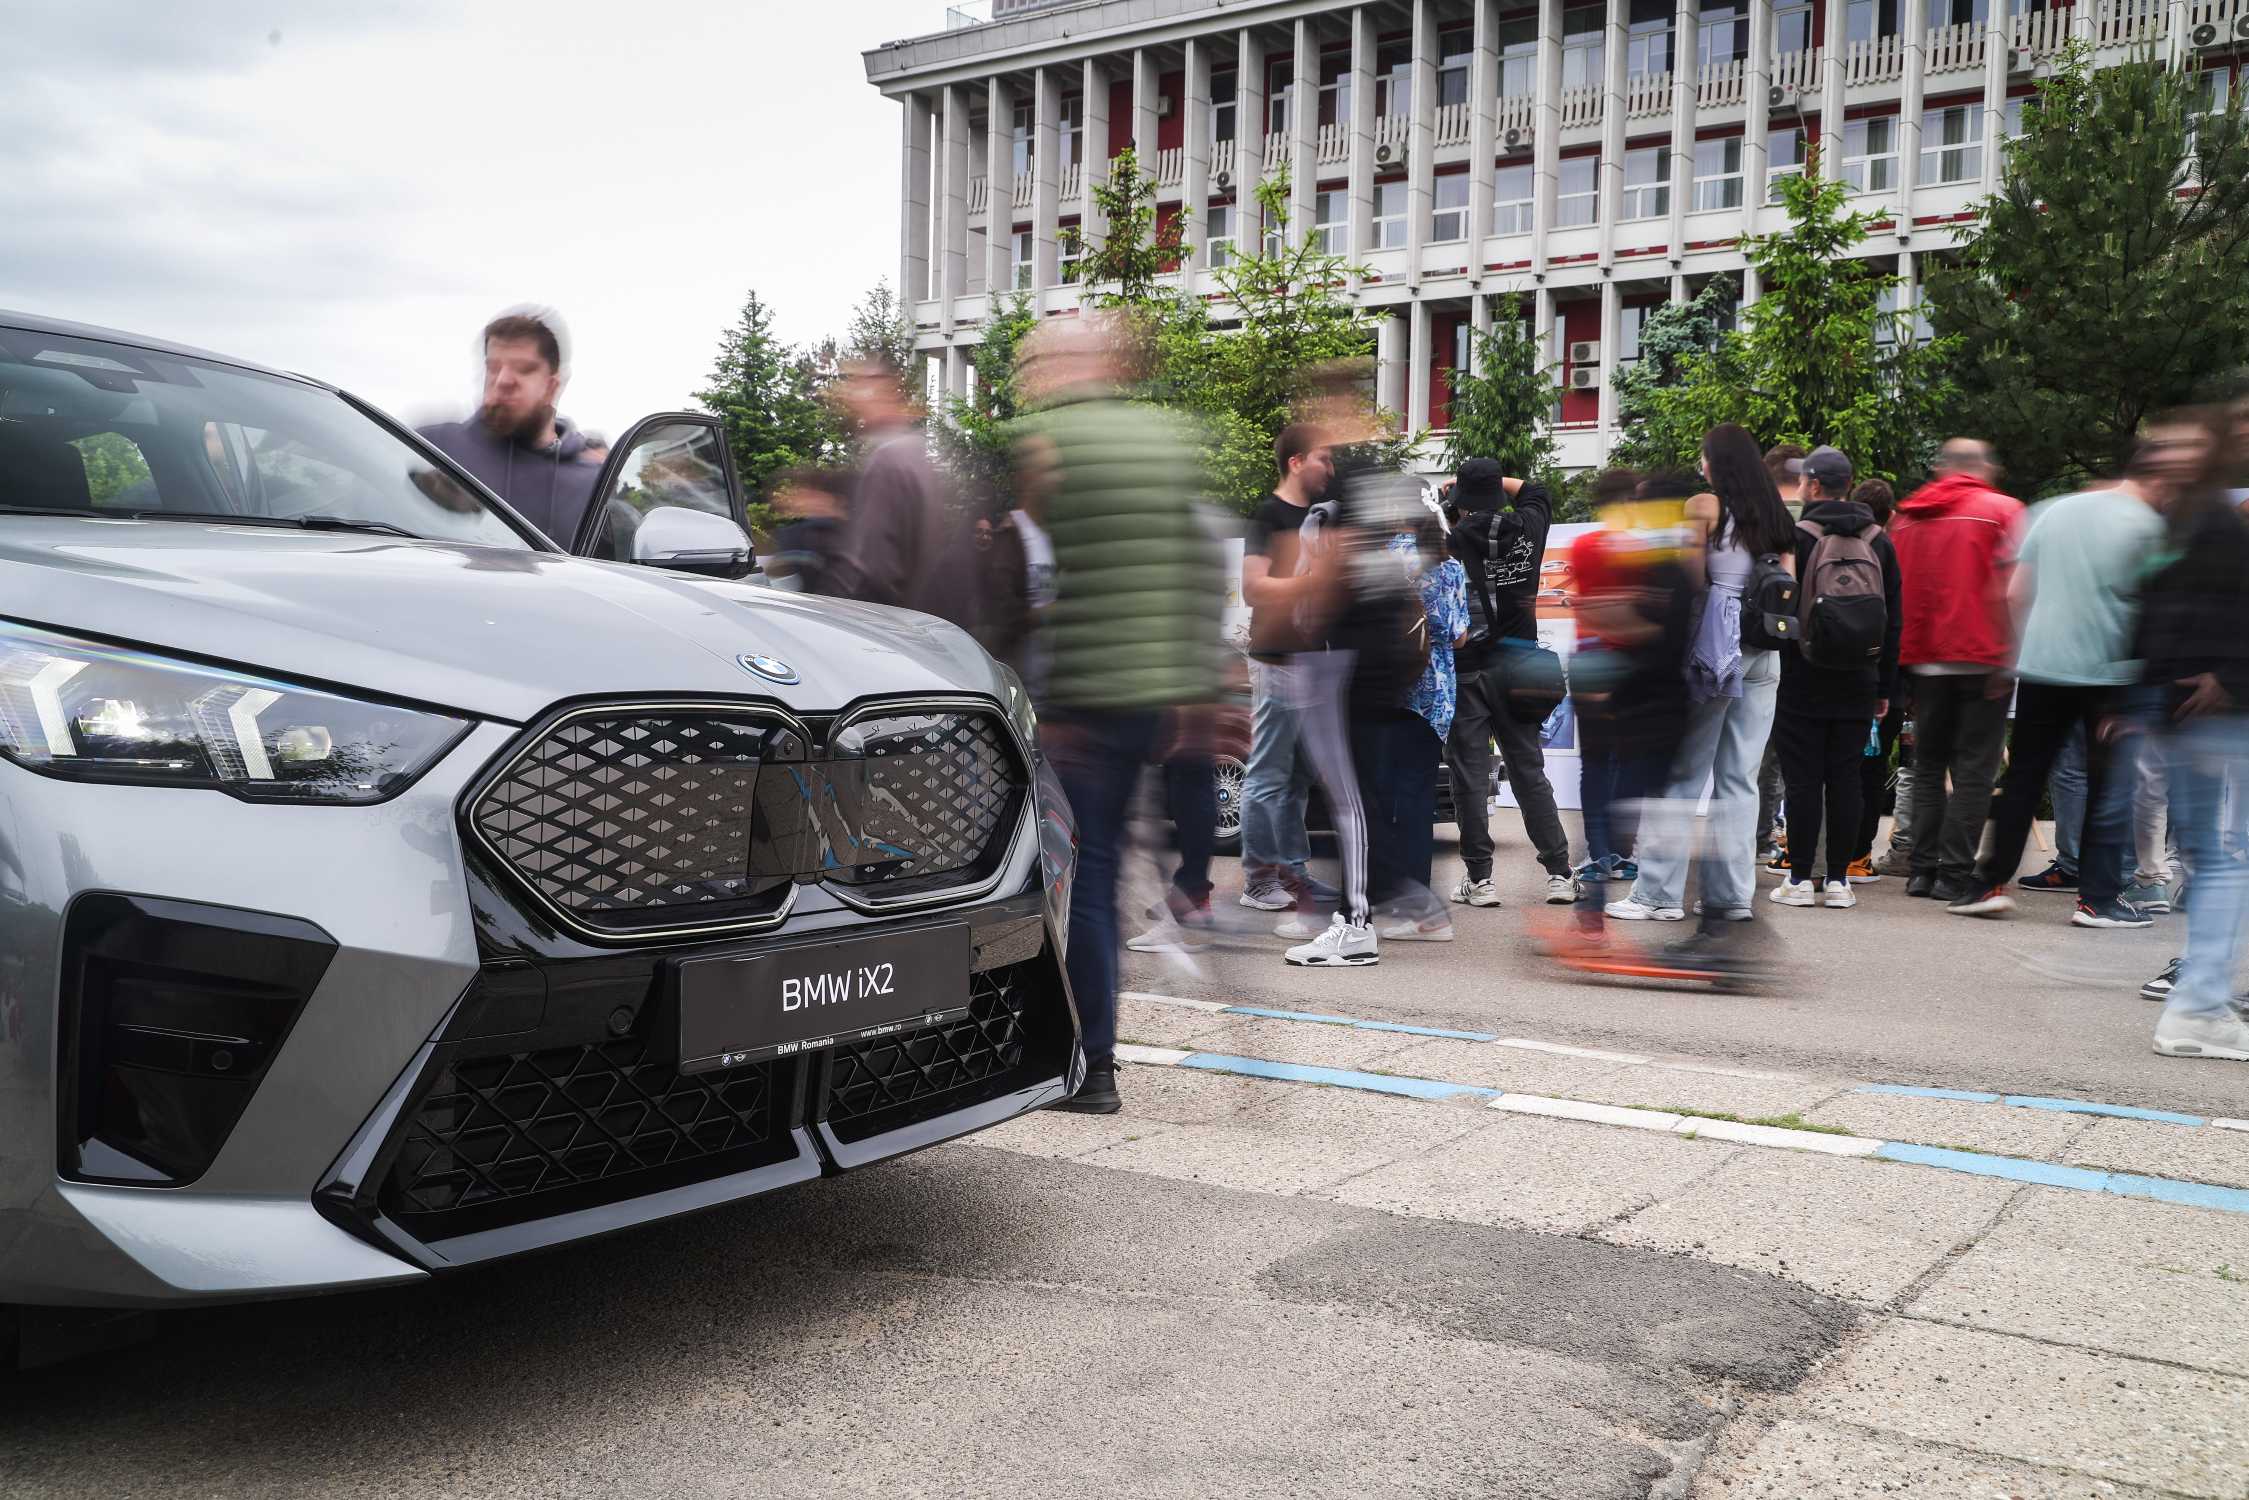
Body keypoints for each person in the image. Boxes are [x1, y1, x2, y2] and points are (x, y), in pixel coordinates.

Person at [1013, 316, 1224, 1113]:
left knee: (1084, 880)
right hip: (1153, 699)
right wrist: (1193, 689)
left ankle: (1087, 1062)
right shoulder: (1167, 441)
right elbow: (1199, 567)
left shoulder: (1048, 442)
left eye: (1038, 360)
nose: (1031, 374)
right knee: (1109, 864)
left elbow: (1034, 573)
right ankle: (1091, 1054)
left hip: (1080, 701)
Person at [1949, 415, 2202, 925]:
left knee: (2024, 777)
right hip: (2111, 673)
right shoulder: (2151, 530)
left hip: (2041, 663)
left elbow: (2014, 592)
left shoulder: (2052, 510)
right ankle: (2097, 899)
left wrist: (2011, 656)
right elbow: (2158, 613)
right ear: (2160, 481)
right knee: (2109, 786)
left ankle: (1987, 884)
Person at [1611, 423, 1795, 947]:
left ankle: (1657, 895)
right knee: (1739, 780)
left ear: (1715, 462)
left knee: (1681, 775)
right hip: (1764, 652)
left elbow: (1690, 580)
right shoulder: (1777, 515)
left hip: (1713, 651)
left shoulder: (1704, 506)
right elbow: (1790, 587)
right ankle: (1731, 898)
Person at [2137, 416, 2249, 1060]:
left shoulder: (2205, 523)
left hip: (2209, 708)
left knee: (2222, 856)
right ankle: (2200, 1002)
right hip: (2198, 712)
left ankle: (2200, 998)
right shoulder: (2194, 521)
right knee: (2224, 858)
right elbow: (2155, 612)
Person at [1888, 439, 2024, 901]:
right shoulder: (2004, 511)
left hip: (1923, 657)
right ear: (1981, 467)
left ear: (1941, 468)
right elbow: (2016, 589)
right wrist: (2013, 655)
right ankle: (1954, 873)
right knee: (1975, 769)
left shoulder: (1907, 515)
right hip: (1983, 655)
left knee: (1928, 764)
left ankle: (1921, 870)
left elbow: (1896, 587)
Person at [1768, 447, 1901, 909]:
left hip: (1801, 675)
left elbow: (1781, 608)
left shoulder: (1796, 537)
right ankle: (1840, 881)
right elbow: (1893, 620)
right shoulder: (1879, 541)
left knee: (1802, 779)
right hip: (1860, 675)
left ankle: (1800, 879)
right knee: (1846, 778)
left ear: (1812, 485)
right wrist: (1884, 687)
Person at [1565, 471, 1695, 941]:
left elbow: (1636, 622)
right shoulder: (1660, 557)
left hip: (1617, 675)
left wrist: (1600, 614)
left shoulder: (1603, 549)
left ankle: (1598, 872)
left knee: (1605, 776)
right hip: (1645, 682)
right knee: (1634, 787)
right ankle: (1615, 873)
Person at [1445, 458, 1578, 907]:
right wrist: (1489, 483)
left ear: (1462, 500)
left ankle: (1480, 880)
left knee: (1469, 776)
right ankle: (1560, 873)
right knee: (1528, 772)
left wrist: (1458, 495)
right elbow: (1536, 491)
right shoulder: (1529, 529)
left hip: (1467, 672)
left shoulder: (1450, 542)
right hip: (1518, 670)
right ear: (1497, 494)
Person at [1238, 425, 1340, 915]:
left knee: (1299, 777)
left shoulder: (1319, 518)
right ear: (1296, 462)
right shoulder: (1269, 515)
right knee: (1266, 776)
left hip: (1313, 662)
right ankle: (1258, 881)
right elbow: (1253, 589)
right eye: (1323, 459)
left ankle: (1293, 873)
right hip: (1277, 660)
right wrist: (1312, 581)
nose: (1330, 469)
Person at [1357, 510, 1470, 941]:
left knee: (1378, 798)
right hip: (1435, 694)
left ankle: (1380, 896)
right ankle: (1422, 910)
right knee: (1417, 801)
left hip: (1387, 688)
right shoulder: (1450, 564)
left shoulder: (1385, 556)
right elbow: (1459, 636)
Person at [418, 306, 602, 545]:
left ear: (553, 386)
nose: (502, 381)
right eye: (493, 368)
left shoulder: (593, 487)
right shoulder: (432, 448)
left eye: (523, 369)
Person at [815, 357, 958, 618]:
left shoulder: (888, 460)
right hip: (921, 616)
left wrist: (833, 613)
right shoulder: (917, 455)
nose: (853, 398)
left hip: (886, 623)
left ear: (885, 392)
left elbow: (875, 567)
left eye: (861, 387)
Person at [1844, 477, 1905, 883]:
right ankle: (1858, 857)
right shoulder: (1885, 547)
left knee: (1829, 768)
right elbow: (1893, 622)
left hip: (1829, 672)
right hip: (1876, 677)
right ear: (1891, 515)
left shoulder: (1825, 538)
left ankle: (1807, 853)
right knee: (1871, 768)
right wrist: (1888, 687)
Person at [1754, 443, 1809, 864]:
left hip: (1766, 640)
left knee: (1762, 753)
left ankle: (1760, 836)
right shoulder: (1815, 521)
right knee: (1803, 753)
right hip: (1813, 646)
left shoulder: (1757, 519)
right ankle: (1796, 838)